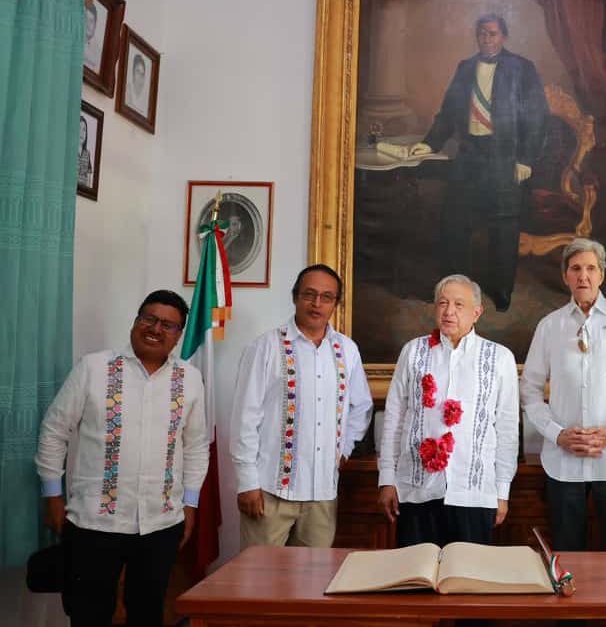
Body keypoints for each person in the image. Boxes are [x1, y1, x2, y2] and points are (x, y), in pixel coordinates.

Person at [35, 290, 208, 627]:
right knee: (88, 614)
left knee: (147, 614)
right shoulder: (94, 368)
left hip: (160, 523)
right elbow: (54, 431)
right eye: (149, 318)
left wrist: (190, 504)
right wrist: (52, 497)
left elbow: (197, 447)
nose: (156, 329)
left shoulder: (190, 380)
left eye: (168, 325)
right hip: (94, 522)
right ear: (136, 321)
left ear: (179, 335)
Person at [520, 238, 606, 627]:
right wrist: (556, 433)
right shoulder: (549, 326)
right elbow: (529, 389)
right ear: (565, 275)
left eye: (591, 268)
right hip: (563, 461)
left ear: (602, 273)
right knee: (567, 558)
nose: (583, 275)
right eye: (576, 268)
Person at [409, 14, 548, 312]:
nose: (486, 39)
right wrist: (430, 142)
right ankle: (455, 295)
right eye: (482, 34)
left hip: (505, 157)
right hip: (470, 155)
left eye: (493, 34)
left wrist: (526, 158)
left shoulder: (522, 69)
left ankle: (500, 293)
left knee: (504, 229)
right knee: (456, 224)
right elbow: (448, 112)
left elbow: (536, 117)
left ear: (504, 36)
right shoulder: (465, 68)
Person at [231, 264, 373, 549]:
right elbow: (244, 417)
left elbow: (362, 406)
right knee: (259, 582)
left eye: (326, 297)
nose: (316, 304)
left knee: (312, 584)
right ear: (295, 297)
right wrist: (247, 483)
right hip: (269, 493)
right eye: (309, 294)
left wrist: (344, 449)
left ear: (335, 303)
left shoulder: (347, 350)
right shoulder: (265, 347)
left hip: (321, 495)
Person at [378, 274, 519, 547]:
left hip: (475, 493)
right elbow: (394, 419)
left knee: (467, 580)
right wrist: (387, 479)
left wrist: (502, 491)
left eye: (458, 304)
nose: (449, 311)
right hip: (416, 490)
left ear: (477, 313)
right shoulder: (413, 351)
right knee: (414, 579)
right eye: (442, 303)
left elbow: (507, 429)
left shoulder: (499, 357)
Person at [83, 0, 102, 71]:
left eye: (91, 21)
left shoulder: (98, 52)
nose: (88, 25)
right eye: (85, 19)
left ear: (95, 25)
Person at [77, 116, 93, 188]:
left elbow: (89, 180)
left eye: (84, 130)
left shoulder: (87, 154)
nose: (82, 133)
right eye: (79, 128)